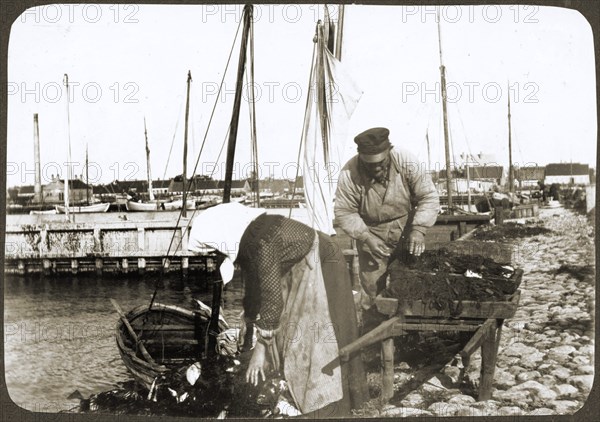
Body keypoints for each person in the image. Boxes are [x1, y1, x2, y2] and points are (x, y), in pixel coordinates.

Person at [188, 202, 367, 417]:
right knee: (290, 334)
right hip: (297, 266)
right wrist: (249, 323)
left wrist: (260, 350)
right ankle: (295, 392)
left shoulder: (263, 241)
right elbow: (256, 290)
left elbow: (272, 300)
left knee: (323, 336)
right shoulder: (250, 243)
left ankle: (335, 406)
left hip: (325, 260)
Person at [334, 127, 440, 309]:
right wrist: (366, 238)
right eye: (370, 164)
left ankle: (409, 333)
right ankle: (377, 333)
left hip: (407, 229)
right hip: (371, 233)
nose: (376, 168)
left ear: (389, 152)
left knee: (412, 285)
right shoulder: (349, 173)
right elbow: (345, 211)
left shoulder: (406, 161)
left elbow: (428, 196)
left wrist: (419, 230)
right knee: (372, 293)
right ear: (360, 157)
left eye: (380, 162)